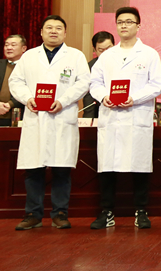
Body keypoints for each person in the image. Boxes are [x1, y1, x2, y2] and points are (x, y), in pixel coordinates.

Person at [9, 16, 90, 230]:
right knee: (33, 168)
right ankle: (32, 214)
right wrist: (27, 98)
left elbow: (84, 83)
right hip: (35, 117)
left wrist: (63, 100)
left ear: (65, 33)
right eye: (49, 28)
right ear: (41, 32)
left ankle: (60, 213)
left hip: (62, 116)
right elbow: (15, 81)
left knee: (61, 168)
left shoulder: (75, 56)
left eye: (58, 28)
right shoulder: (29, 56)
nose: (53, 31)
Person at [89, 7, 161, 229]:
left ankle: (141, 211)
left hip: (136, 117)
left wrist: (135, 98)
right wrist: (103, 97)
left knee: (139, 165)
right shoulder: (107, 56)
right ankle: (107, 212)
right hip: (111, 117)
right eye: (120, 22)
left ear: (138, 25)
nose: (124, 25)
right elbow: (94, 82)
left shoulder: (149, 54)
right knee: (107, 167)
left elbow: (156, 84)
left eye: (129, 22)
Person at [82, 31, 115, 119]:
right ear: (94, 50)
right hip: (98, 111)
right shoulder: (90, 67)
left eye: (108, 49)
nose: (105, 53)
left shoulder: (123, 64)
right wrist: (89, 118)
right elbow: (88, 97)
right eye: (101, 50)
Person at [0, 34, 27, 126]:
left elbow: (30, 89)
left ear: (23, 48)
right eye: (6, 45)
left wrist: (10, 104)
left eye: (13, 45)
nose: (9, 48)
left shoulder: (29, 67)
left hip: (20, 115)